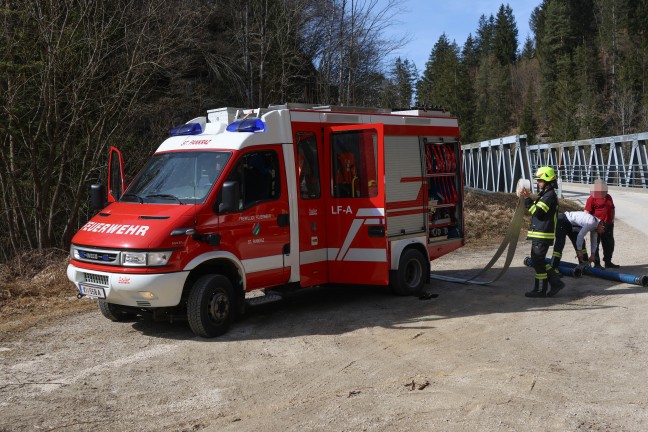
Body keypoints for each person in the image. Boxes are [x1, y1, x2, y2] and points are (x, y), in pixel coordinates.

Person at [520, 166, 565, 298]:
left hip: (543, 234)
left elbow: (538, 212)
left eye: (540, 180)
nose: (537, 182)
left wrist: (528, 199)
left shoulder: (549, 196)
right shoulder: (545, 195)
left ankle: (542, 289)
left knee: (537, 261)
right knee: (537, 261)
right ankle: (553, 284)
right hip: (540, 233)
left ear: (547, 181)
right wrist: (528, 198)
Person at [584, 179, 619, 269]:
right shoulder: (592, 198)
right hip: (597, 225)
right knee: (595, 244)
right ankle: (597, 264)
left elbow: (612, 208)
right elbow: (586, 212)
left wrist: (612, 220)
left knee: (609, 244)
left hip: (608, 224)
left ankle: (608, 262)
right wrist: (590, 225)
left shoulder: (608, 197)